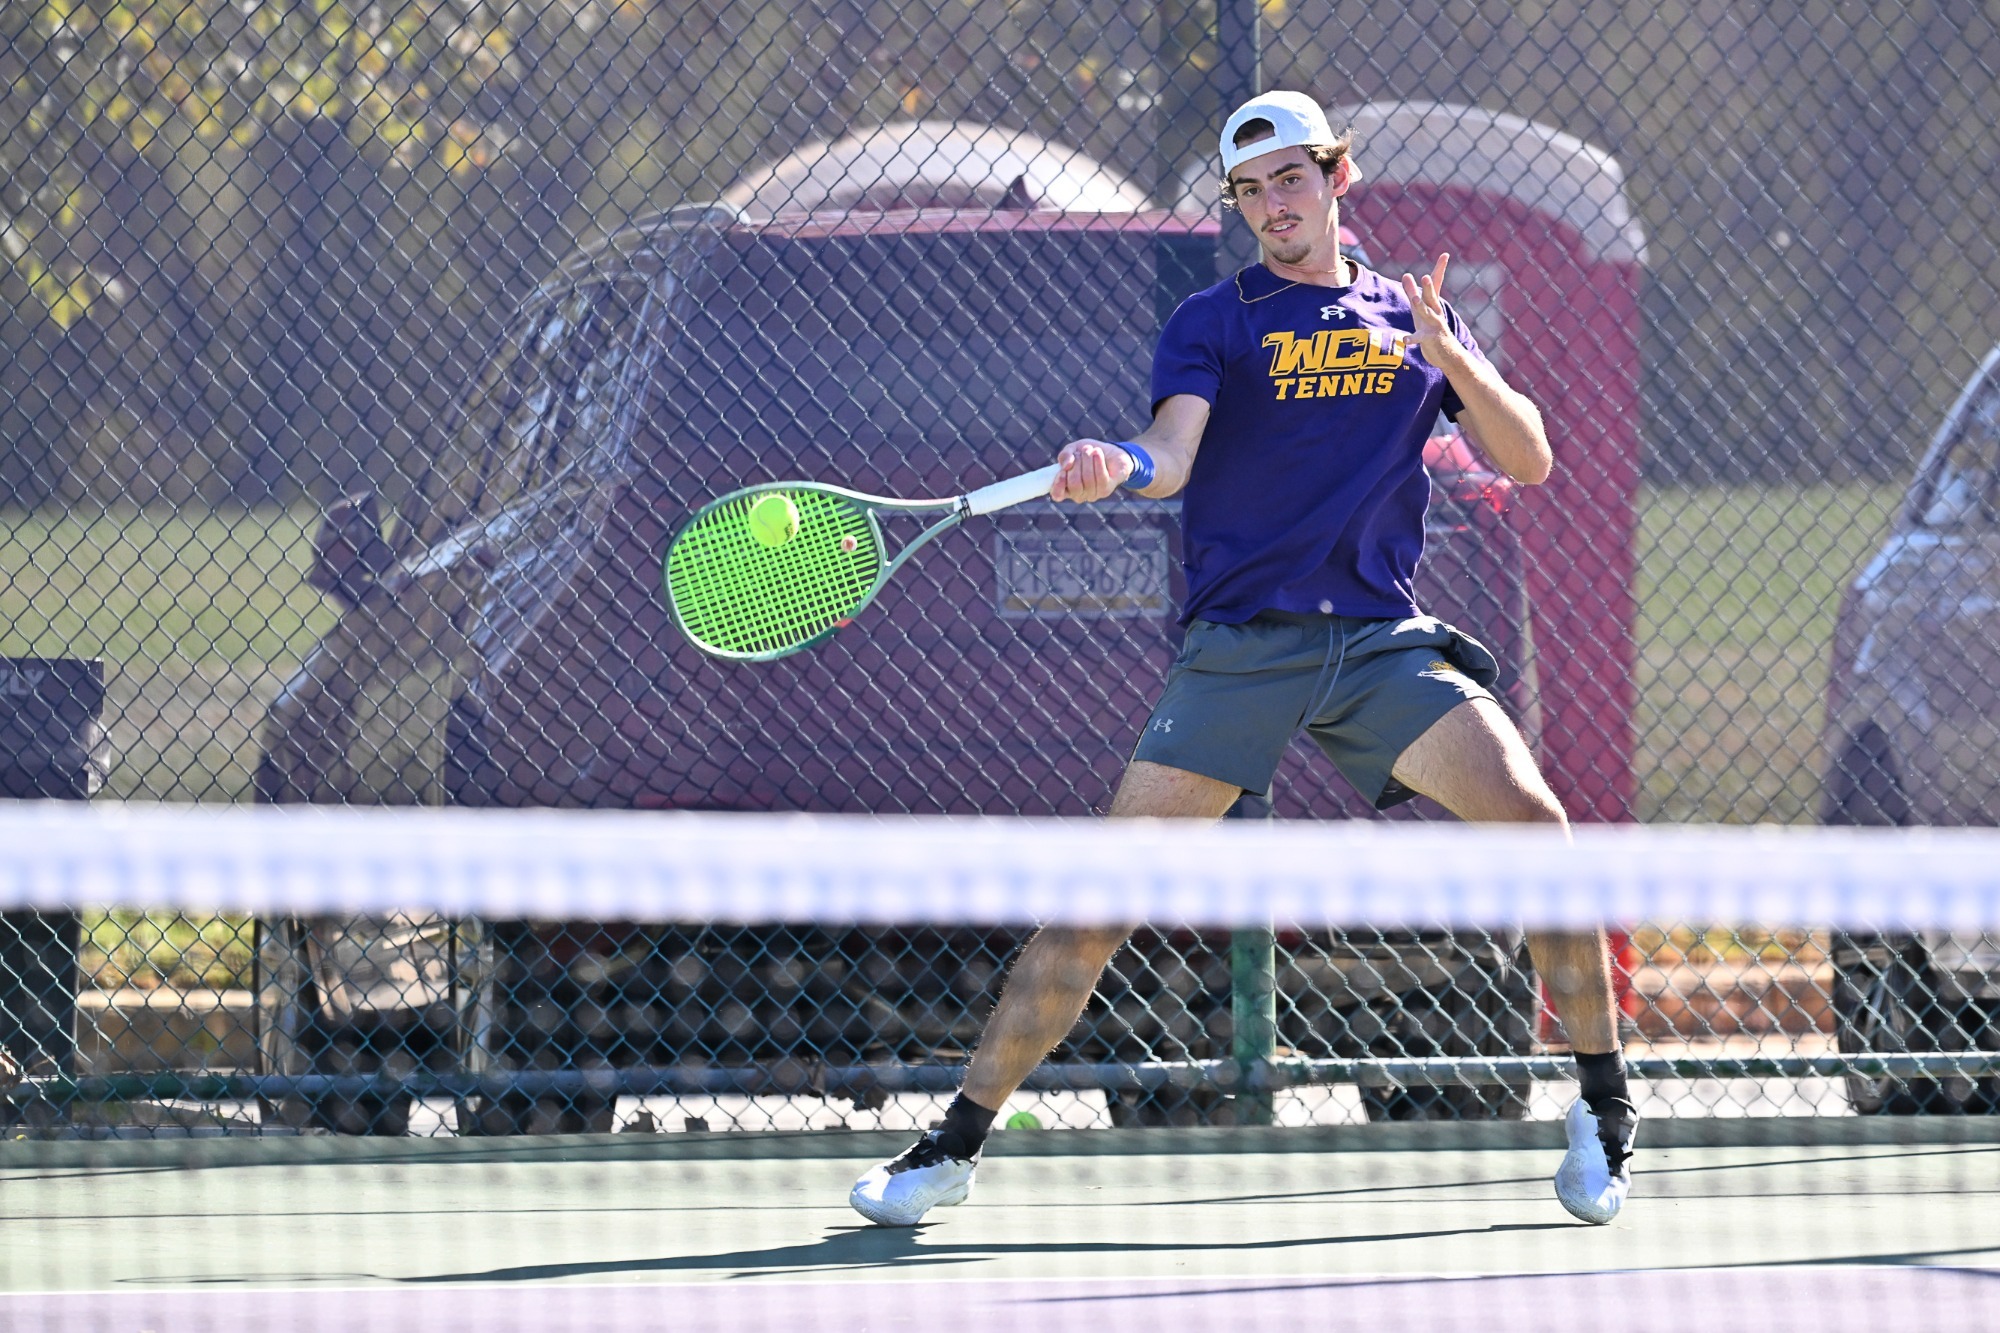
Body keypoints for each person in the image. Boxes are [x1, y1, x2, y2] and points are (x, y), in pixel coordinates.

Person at [850, 90, 1636, 1228]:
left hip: (1375, 644)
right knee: (1097, 905)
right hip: (1242, 649)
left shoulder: (1410, 315)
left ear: (1336, 177)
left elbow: (1529, 458)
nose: (1273, 205)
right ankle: (952, 1147)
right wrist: (1115, 464)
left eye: (1291, 179)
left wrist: (1452, 362)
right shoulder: (1214, 322)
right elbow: (1170, 453)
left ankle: (1604, 1112)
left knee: (1538, 827)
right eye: (1251, 190)